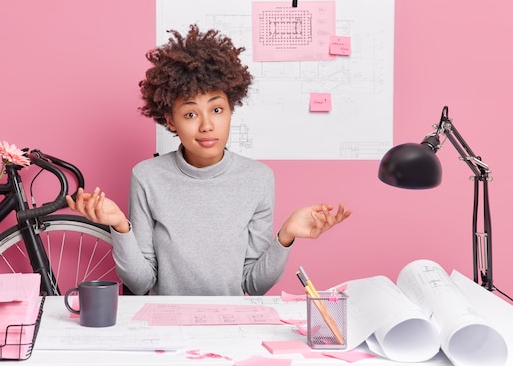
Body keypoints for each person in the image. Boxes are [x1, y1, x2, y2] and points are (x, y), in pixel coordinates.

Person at [67, 24, 351, 296]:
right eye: (190, 114)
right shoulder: (147, 177)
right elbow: (141, 283)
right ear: (171, 120)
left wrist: (287, 235)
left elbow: (254, 285)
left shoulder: (257, 178)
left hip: (229, 324)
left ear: (230, 111)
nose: (206, 125)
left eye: (217, 109)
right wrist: (120, 226)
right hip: (165, 323)